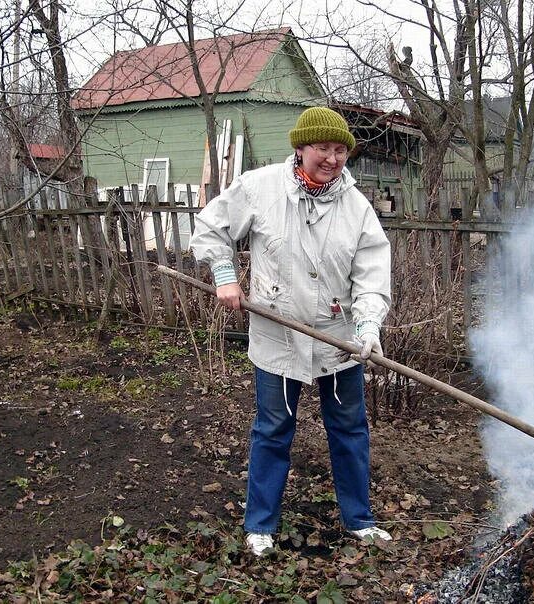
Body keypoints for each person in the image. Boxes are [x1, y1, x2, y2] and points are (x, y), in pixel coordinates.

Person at [190, 106, 392, 556]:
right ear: (300, 148)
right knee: (274, 428)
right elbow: (209, 227)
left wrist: (367, 326)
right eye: (323, 148)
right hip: (278, 338)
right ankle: (260, 524)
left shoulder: (357, 208)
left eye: (341, 150)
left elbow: (372, 275)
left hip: (339, 342)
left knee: (349, 428)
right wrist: (225, 273)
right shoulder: (260, 189)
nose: (333, 158)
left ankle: (359, 520)